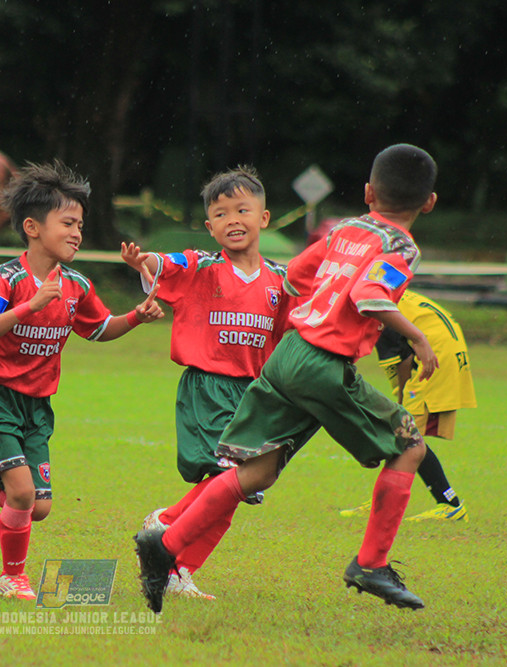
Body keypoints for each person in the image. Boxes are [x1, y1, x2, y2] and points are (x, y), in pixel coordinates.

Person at [134, 143, 439, 613]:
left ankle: (164, 544)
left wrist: (325, 304)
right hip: (321, 362)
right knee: (410, 447)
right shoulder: (400, 245)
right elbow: (371, 294)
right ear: (429, 202)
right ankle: (371, 563)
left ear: (368, 192)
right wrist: (417, 338)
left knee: (256, 470)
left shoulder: (348, 228)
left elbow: (296, 274)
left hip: (286, 355)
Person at [0, 161, 164, 600]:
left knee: (38, 507)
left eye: (80, 224)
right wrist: (30, 306)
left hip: (35, 407)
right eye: (68, 223)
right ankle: (11, 577)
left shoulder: (75, 284)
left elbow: (98, 328)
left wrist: (136, 316)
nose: (78, 232)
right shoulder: (9, 278)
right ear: (33, 227)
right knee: (20, 492)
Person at [120, 166, 292, 600]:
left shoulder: (279, 281)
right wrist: (147, 262)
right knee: (227, 474)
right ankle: (166, 522)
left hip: (254, 395)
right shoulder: (202, 266)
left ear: (264, 218)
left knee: (237, 490)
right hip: (210, 386)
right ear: (209, 226)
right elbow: (167, 264)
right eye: (221, 213)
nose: (233, 219)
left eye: (242, 209)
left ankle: (179, 570)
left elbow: (294, 332)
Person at [340, 289, 476, 522]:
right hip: (446, 353)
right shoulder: (387, 294)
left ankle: (449, 504)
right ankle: (382, 502)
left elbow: (402, 360)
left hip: (435, 359)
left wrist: (400, 401)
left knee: (405, 432)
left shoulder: (376, 307)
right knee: (405, 434)